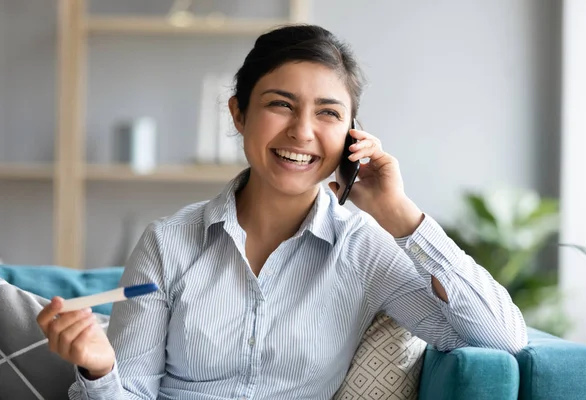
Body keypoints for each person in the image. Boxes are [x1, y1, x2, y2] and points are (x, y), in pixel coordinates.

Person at [37, 24, 527, 400]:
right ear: (238, 113)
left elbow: (502, 337)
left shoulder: (367, 248)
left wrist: (398, 213)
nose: (302, 131)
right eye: (281, 104)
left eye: (328, 113)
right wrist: (99, 369)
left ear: (353, 136)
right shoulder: (168, 243)